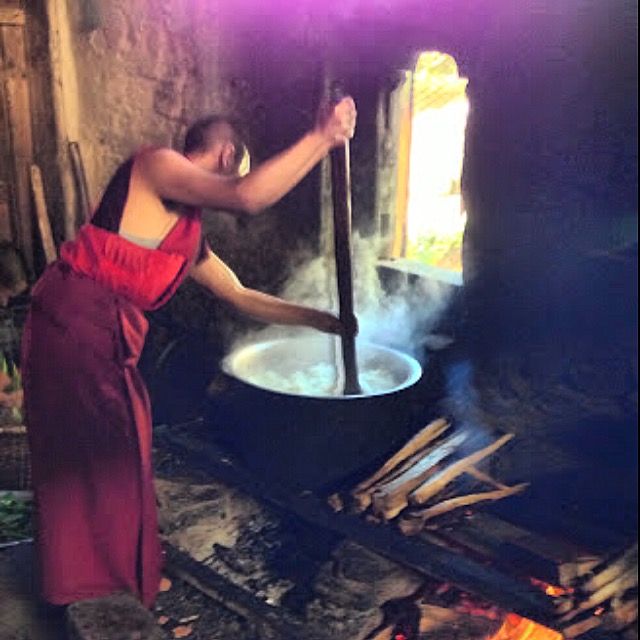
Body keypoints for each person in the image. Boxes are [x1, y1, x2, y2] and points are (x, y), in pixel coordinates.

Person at [20, 96, 357, 611]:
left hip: (104, 337)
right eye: (235, 168)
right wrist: (323, 136)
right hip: (70, 325)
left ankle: (120, 574)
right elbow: (247, 196)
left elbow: (242, 295)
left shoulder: (183, 235)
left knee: (124, 448)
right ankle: (87, 583)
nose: (227, 185)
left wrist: (324, 321)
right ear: (226, 154)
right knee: (91, 453)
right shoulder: (154, 165)